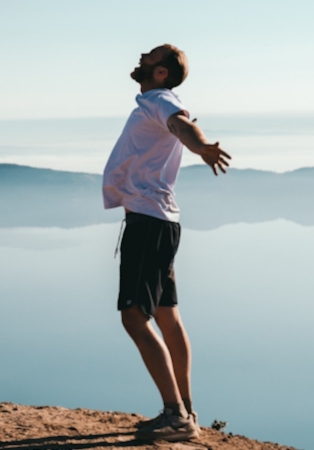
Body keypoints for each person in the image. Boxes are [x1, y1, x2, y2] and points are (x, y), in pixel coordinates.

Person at [102, 43, 230, 442]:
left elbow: (182, 125)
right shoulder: (155, 101)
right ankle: (185, 409)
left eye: (150, 56)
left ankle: (176, 417)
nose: (141, 56)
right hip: (158, 221)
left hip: (148, 222)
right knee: (165, 314)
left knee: (133, 317)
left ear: (161, 73)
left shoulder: (160, 100)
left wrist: (201, 146)